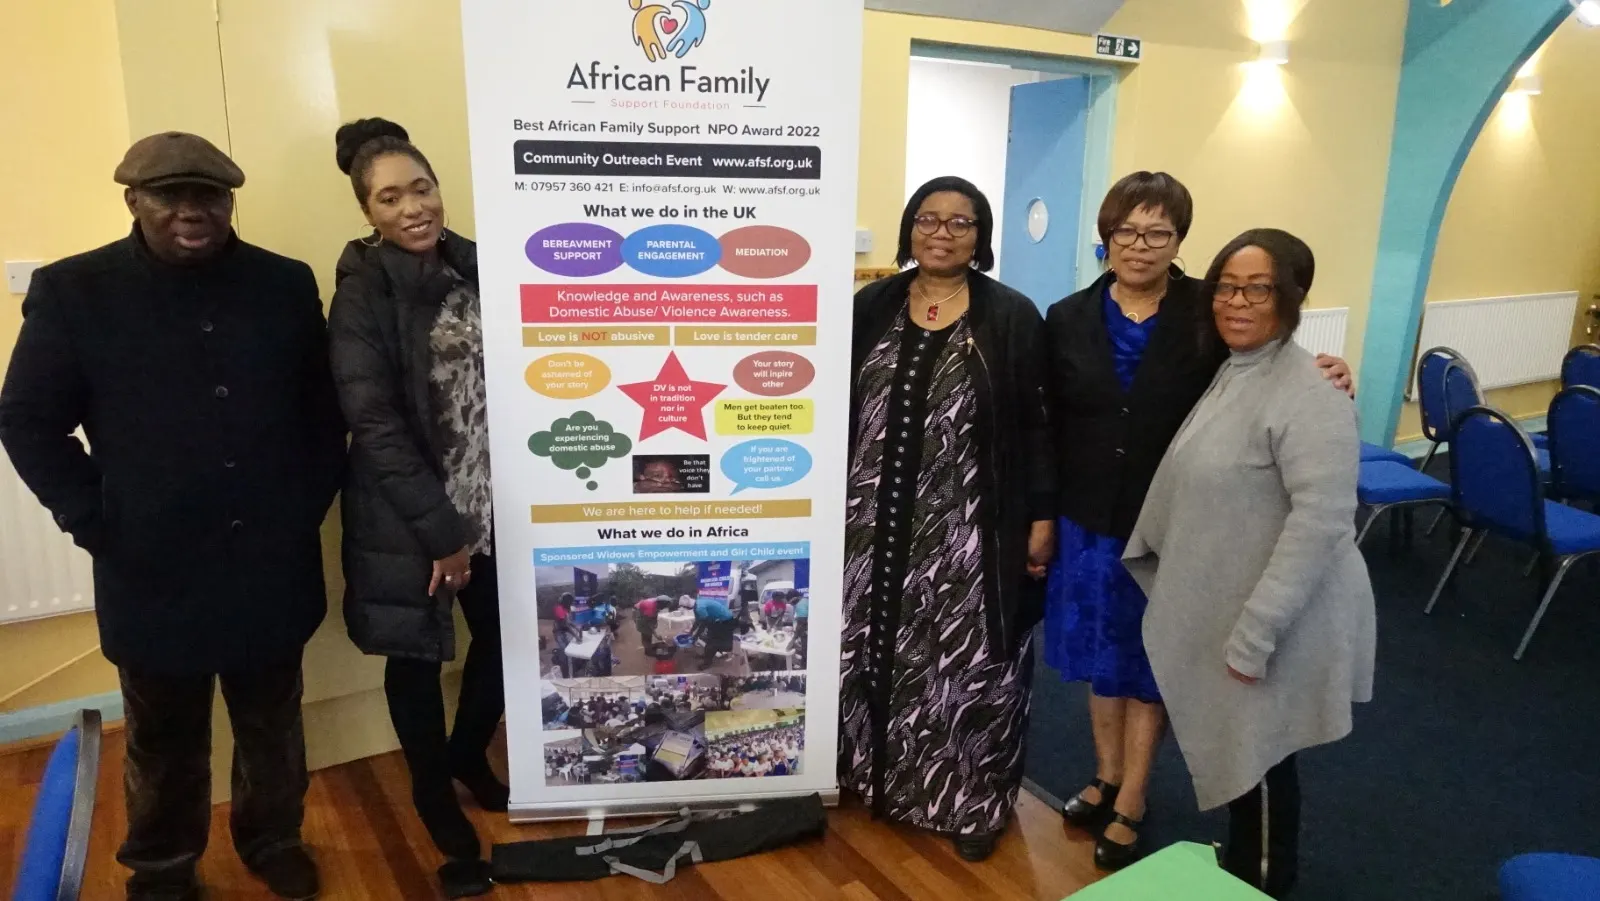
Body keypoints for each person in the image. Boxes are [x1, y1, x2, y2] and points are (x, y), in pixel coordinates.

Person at [0, 132, 344, 901]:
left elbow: (323, 415)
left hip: (270, 557)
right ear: (133, 200)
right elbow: (26, 421)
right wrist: (96, 519)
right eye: (170, 196)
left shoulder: (284, 284)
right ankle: (160, 865)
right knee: (163, 735)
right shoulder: (73, 291)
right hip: (148, 564)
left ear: (229, 201)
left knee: (271, 722)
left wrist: (301, 506)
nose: (192, 211)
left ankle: (272, 835)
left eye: (209, 196)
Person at [1042, 172, 1353, 869]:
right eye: (1126, 230)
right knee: (1101, 658)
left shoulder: (1203, 311)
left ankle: (1134, 797)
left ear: (1181, 240)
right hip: (1088, 517)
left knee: (1155, 660)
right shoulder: (1067, 315)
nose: (1140, 245)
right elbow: (1047, 419)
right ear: (1106, 234)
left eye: (1159, 232)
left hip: (1176, 527)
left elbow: (1268, 360)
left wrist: (1328, 368)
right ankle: (1104, 772)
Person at [1123, 229, 1376, 897]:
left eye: (1256, 288)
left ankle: (1261, 881)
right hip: (1232, 597)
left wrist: (1257, 632)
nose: (1236, 301)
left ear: (1290, 298)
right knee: (1245, 755)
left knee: (1259, 756)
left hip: (1277, 615)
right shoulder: (1235, 367)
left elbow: (1320, 523)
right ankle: (1245, 864)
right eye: (1226, 286)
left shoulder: (1308, 390)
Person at [842, 176, 1054, 862]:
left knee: (969, 664)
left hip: (971, 529)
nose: (942, 232)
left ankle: (972, 801)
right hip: (871, 523)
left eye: (960, 222)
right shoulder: (869, 306)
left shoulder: (1012, 315)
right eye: (929, 219)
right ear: (909, 228)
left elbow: (1037, 425)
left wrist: (1041, 516)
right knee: (873, 647)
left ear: (980, 236)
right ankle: (873, 777)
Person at [326, 117, 501, 898]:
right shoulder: (364, 291)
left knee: (503, 640)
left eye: (420, 188)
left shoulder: (477, 264)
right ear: (368, 211)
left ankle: (467, 752)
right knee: (418, 657)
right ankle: (435, 797)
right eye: (389, 198)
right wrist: (442, 531)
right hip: (414, 514)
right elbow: (375, 422)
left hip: (497, 500)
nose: (412, 209)